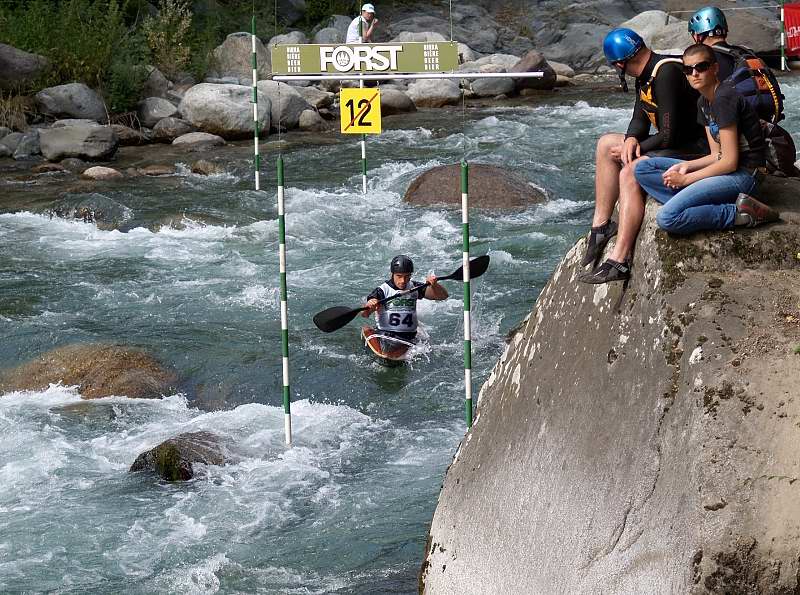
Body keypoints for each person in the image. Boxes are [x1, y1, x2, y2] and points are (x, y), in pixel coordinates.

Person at [579, 28, 708, 284]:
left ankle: (619, 260)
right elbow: (640, 118)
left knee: (629, 171)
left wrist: (640, 149)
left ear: (619, 63)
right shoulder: (645, 74)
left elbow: (670, 134)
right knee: (607, 144)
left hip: (693, 149)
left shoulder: (666, 73)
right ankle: (601, 226)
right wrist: (630, 140)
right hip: (672, 144)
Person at [632, 43, 779, 239]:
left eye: (701, 67)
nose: (694, 73)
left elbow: (729, 161)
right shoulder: (703, 102)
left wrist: (686, 179)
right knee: (643, 169)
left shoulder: (724, 99)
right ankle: (697, 202)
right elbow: (715, 155)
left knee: (668, 218)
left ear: (715, 68)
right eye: (688, 69)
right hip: (725, 169)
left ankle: (741, 212)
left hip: (745, 175)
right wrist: (687, 167)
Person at [688, 6, 785, 124]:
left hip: (733, 127)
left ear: (698, 36)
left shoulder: (706, 61)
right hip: (766, 123)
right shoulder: (745, 53)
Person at [362, 255, 448, 342]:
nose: (403, 280)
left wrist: (434, 285)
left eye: (407, 276)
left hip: (410, 337)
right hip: (386, 335)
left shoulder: (414, 287)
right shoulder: (382, 290)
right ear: (392, 274)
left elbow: (443, 296)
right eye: (399, 276)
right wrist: (370, 305)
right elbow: (364, 314)